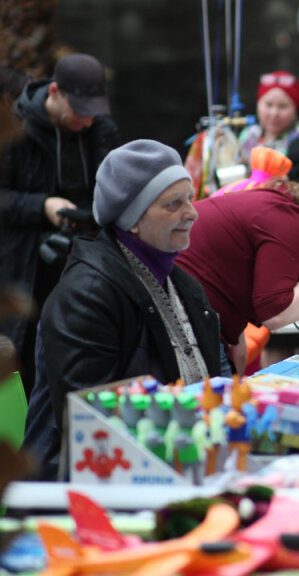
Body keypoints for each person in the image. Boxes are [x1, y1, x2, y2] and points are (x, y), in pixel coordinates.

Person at [22, 140, 221, 480]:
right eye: (173, 204)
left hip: (175, 463)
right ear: (131, 220)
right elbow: (88, 420)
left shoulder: (182, 284)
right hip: (92, 485)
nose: (192, 212)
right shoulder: (86, 296)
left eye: (190, 198)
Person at [0, 53, 119, 397]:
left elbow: (112, 187)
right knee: (24, 356)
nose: (85, 120)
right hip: (25, 264)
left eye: (92, 111)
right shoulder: (15, 129)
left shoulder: (100, 127)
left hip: (84, 256)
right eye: (79, 110)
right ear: (55, 92)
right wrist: (42, 205)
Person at [176, 178, 299, 375]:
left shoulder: (279, 206)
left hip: (192, 310)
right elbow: (275, 313)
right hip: (185, 317)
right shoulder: (287, 220)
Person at [237, 71, 299, 167]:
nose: (274, 113)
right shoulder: (248, 135)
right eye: (268, 104)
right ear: (258, 104)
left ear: (295, 110)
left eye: (283, 106)